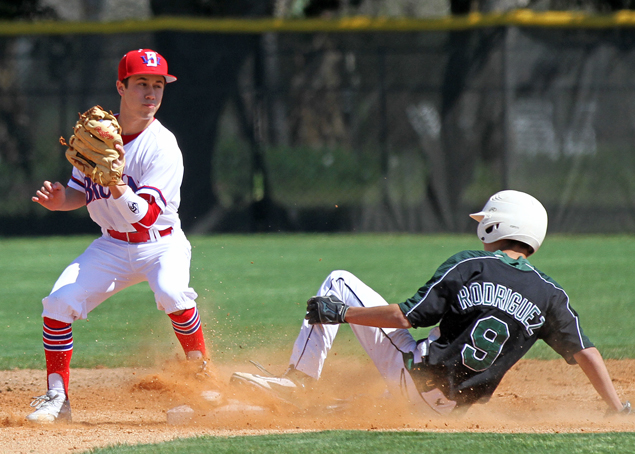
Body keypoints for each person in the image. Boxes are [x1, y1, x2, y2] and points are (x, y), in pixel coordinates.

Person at [231, 190, 631, 416]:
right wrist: (615, 407)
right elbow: (587, 352)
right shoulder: (550, 294)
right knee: (351, 410)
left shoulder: (472, 265)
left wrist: (344, 313)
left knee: (338, 282)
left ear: (498, 225)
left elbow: (404, 319)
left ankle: (298, 381)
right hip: (448, 415)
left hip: (416, 378)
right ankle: (276, 410)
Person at [27, 49, 208, 423]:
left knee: (172, 293)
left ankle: (203, 383)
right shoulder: (101, 135)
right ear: (120, 87)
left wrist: (117, 186)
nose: (151, 93)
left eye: (158, 85)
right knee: (58, 303)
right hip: (111, 245)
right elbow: (81, 191)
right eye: (142, 83)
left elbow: (145, 220)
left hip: (161, 243)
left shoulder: (162, 146)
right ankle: (57, 399)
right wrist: (63, 200)